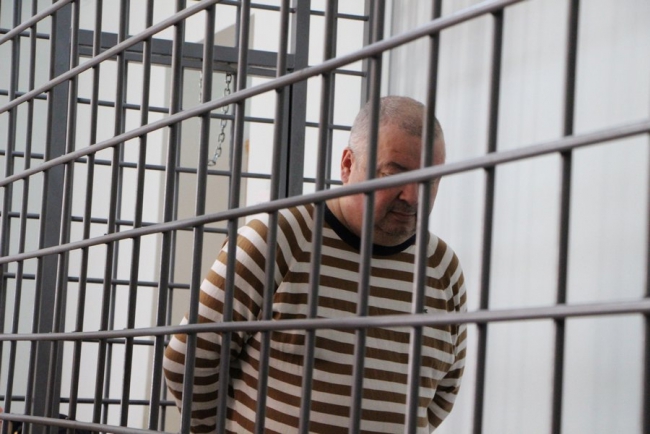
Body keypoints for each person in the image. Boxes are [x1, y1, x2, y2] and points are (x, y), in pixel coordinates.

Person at [163, 96, 467, 433]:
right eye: (394, 174)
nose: (413, 196)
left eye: (430, 179)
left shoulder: (443, 268)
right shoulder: (277, 237)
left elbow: (442, 394)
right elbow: (188, 361)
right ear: (348, 165)